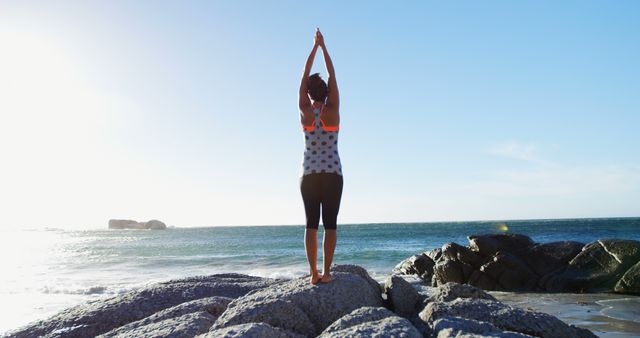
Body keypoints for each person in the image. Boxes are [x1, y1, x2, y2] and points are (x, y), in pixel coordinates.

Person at [298, 28, 343, 285]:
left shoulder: (305, 112)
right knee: (331, 224)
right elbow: (332, 75)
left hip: (309, 174)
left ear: (308, 93)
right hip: (333, 174)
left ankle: (313, 274)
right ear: (326, 92)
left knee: (311, 224)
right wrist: (324, 47)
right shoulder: (333, 111)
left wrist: (313, 48)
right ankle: (326, 273)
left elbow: (303, 77)